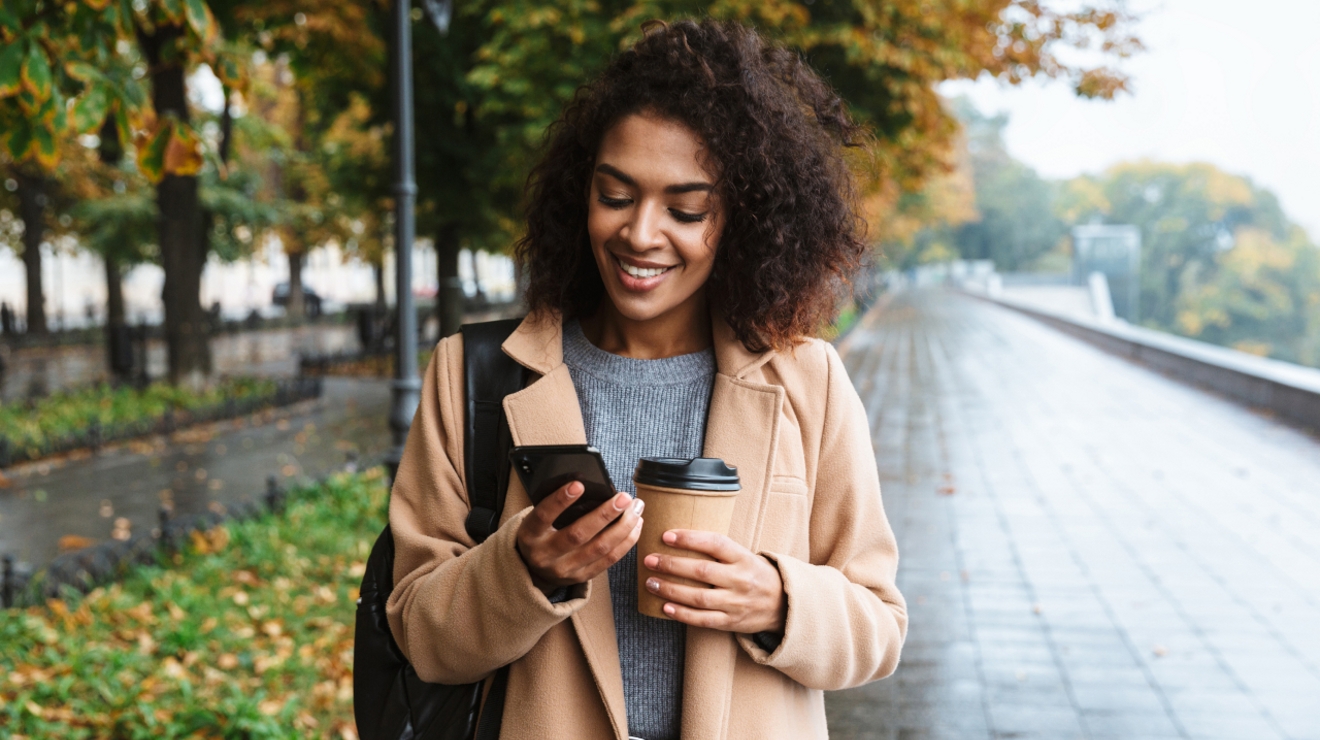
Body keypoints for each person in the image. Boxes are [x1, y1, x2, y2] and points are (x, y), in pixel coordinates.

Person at [386, 19, 906, 740]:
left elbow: (879, 626)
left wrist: (779, 601)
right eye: (616, 195)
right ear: (580, 194)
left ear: (744, 222)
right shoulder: (473, 376)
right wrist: (526, 569)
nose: (640, 233)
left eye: (686, 209)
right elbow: (418, 632)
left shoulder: (806, 379)